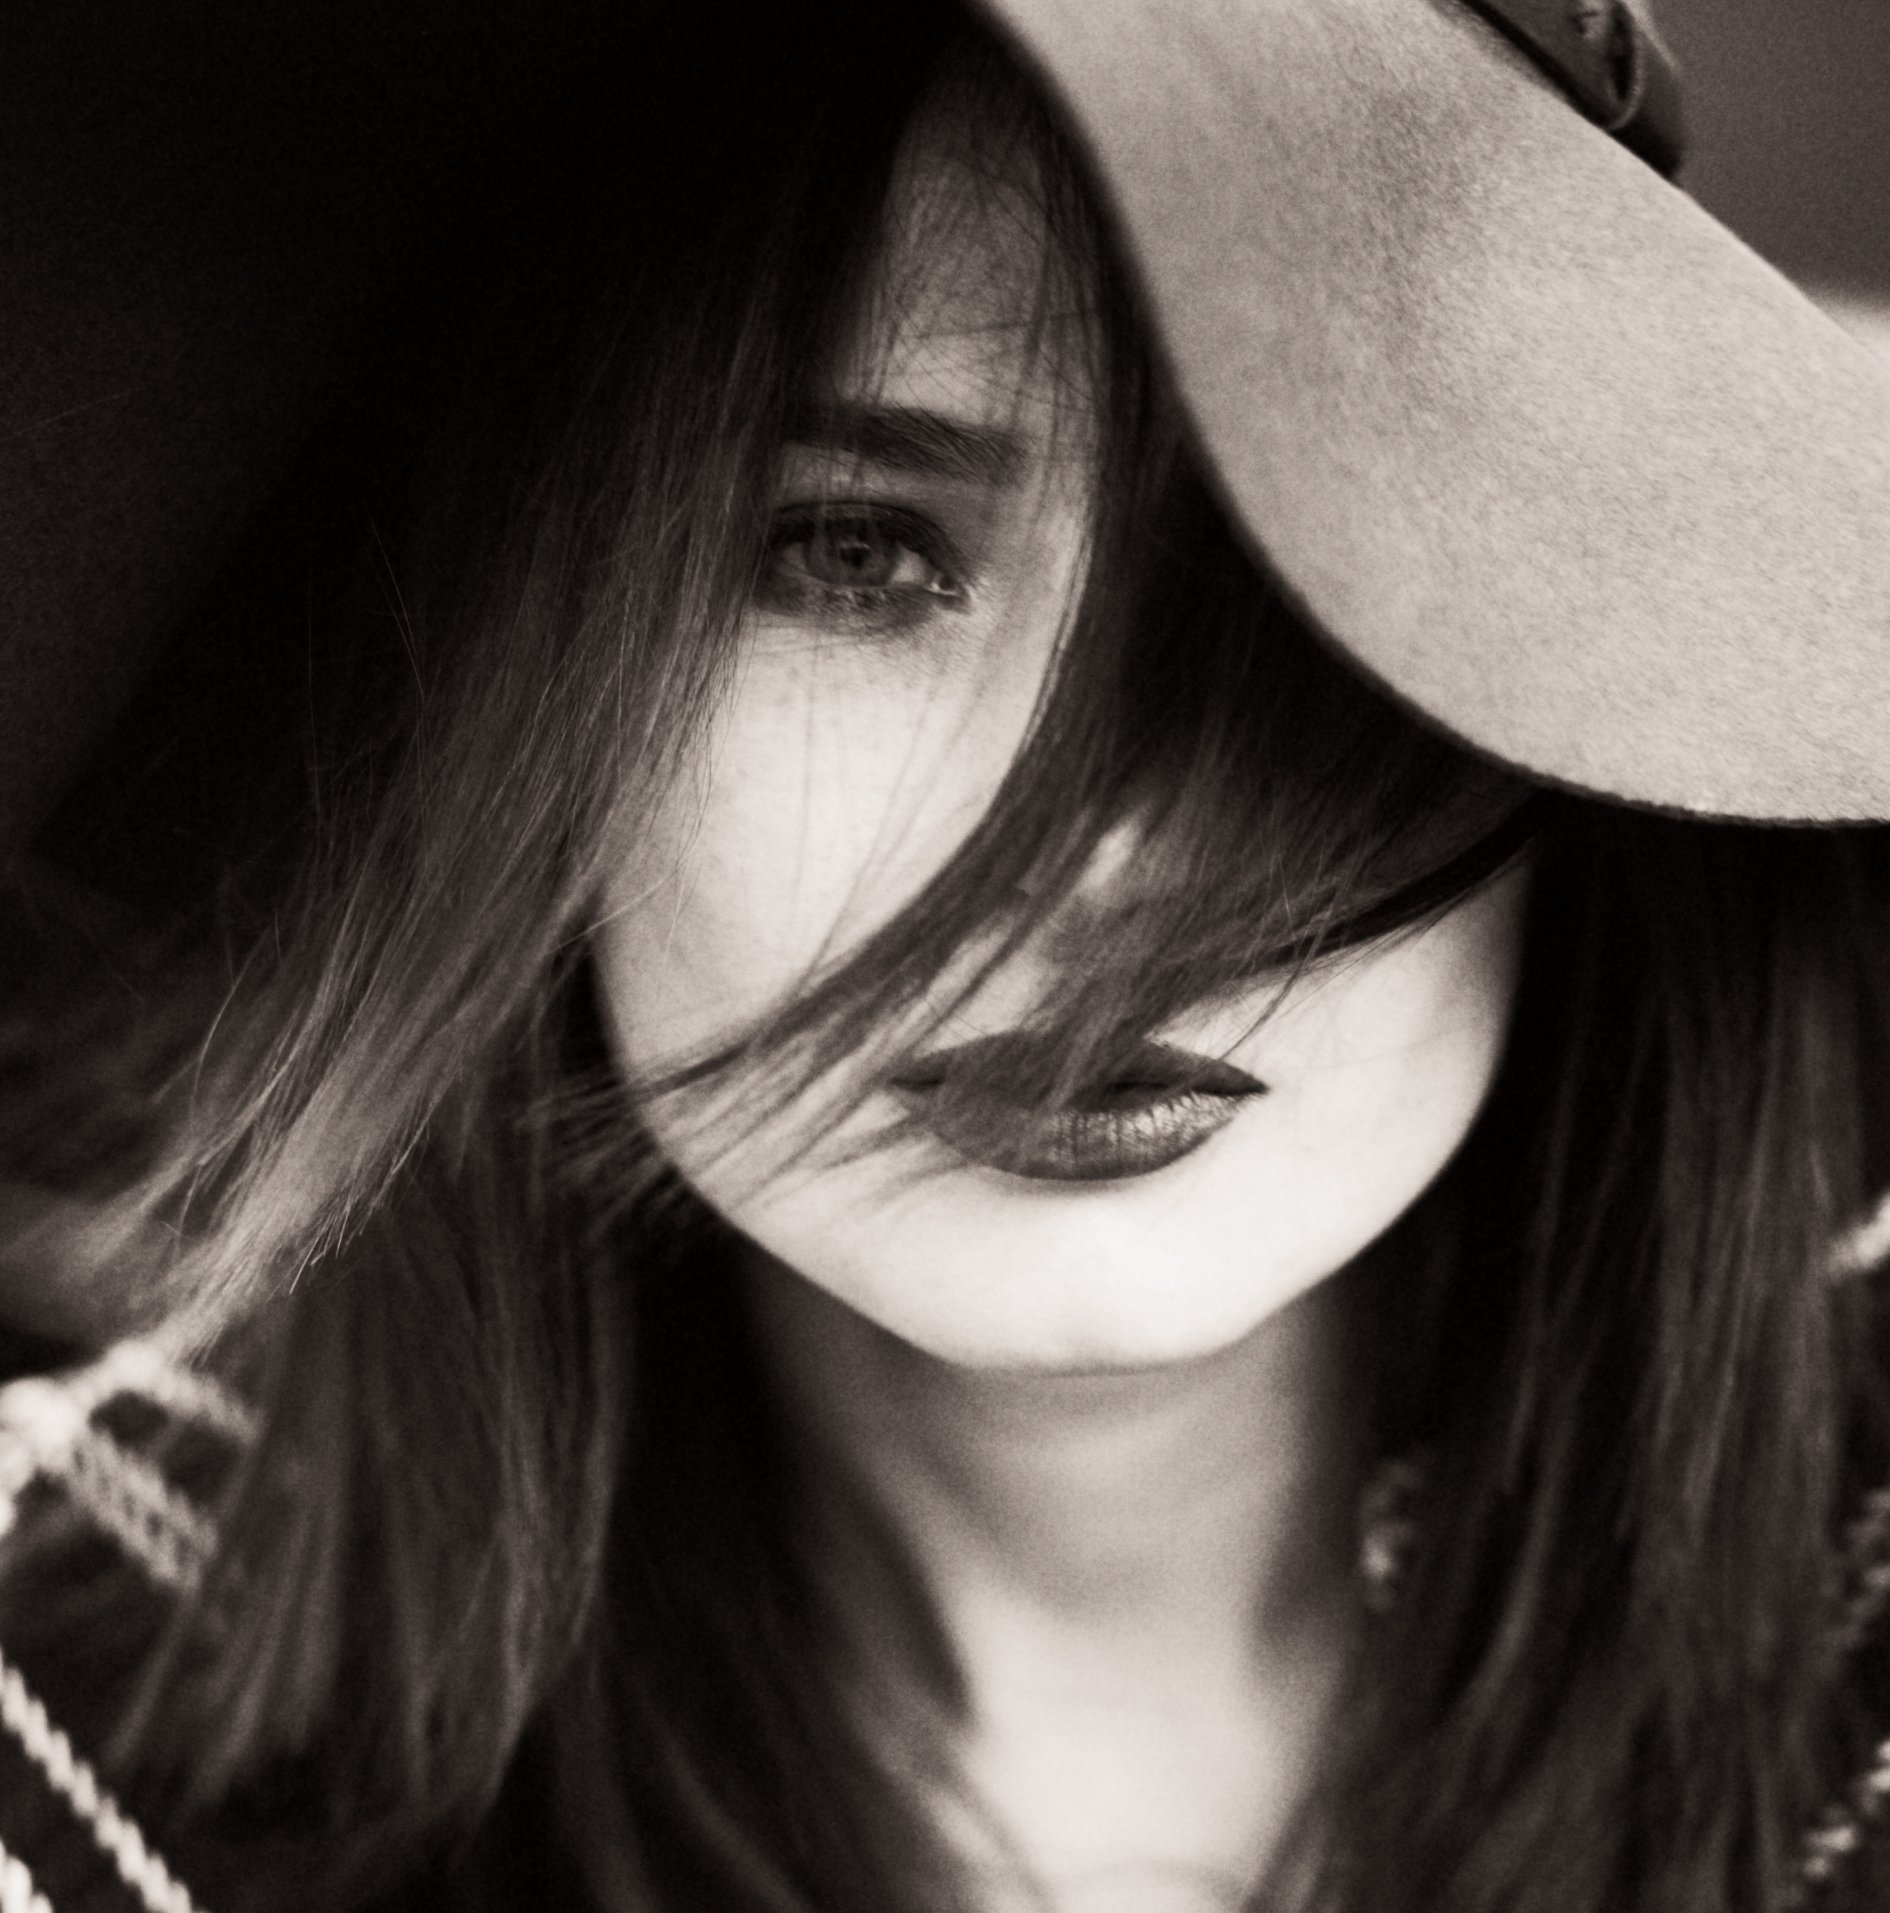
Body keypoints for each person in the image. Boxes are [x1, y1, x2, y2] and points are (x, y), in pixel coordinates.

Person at [3, 2, 1890, 1911]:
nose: (1091, 857)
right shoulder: (62, 1716)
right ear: (509, 680)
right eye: (850, 553)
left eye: (1293, 578)